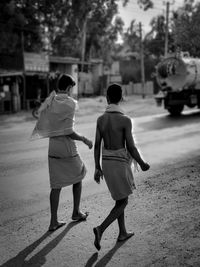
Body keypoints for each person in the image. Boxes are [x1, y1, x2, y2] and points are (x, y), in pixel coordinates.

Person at [31, 74, 93, 232]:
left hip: (53, 148)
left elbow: (38, 115)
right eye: (72, 88)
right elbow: (69, 132)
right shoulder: (70, 103)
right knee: (79, 175)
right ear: (68, 88)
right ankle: (76, 212)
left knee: (56, 185)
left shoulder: (50, 100)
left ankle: (53, 221)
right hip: (67, 148)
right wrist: (85, 139)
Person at [93, 83, 150, 250]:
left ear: (107, 98)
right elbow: (131, 147)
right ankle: (100, 229)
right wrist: (142, 163)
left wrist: (97, 167)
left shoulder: (101, 119)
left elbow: (97, 146)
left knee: (120, 198)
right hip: (119, 163)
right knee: (123, 201)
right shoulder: (125, 120)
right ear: (121, 98)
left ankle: (122, 232)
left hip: (106, 162)